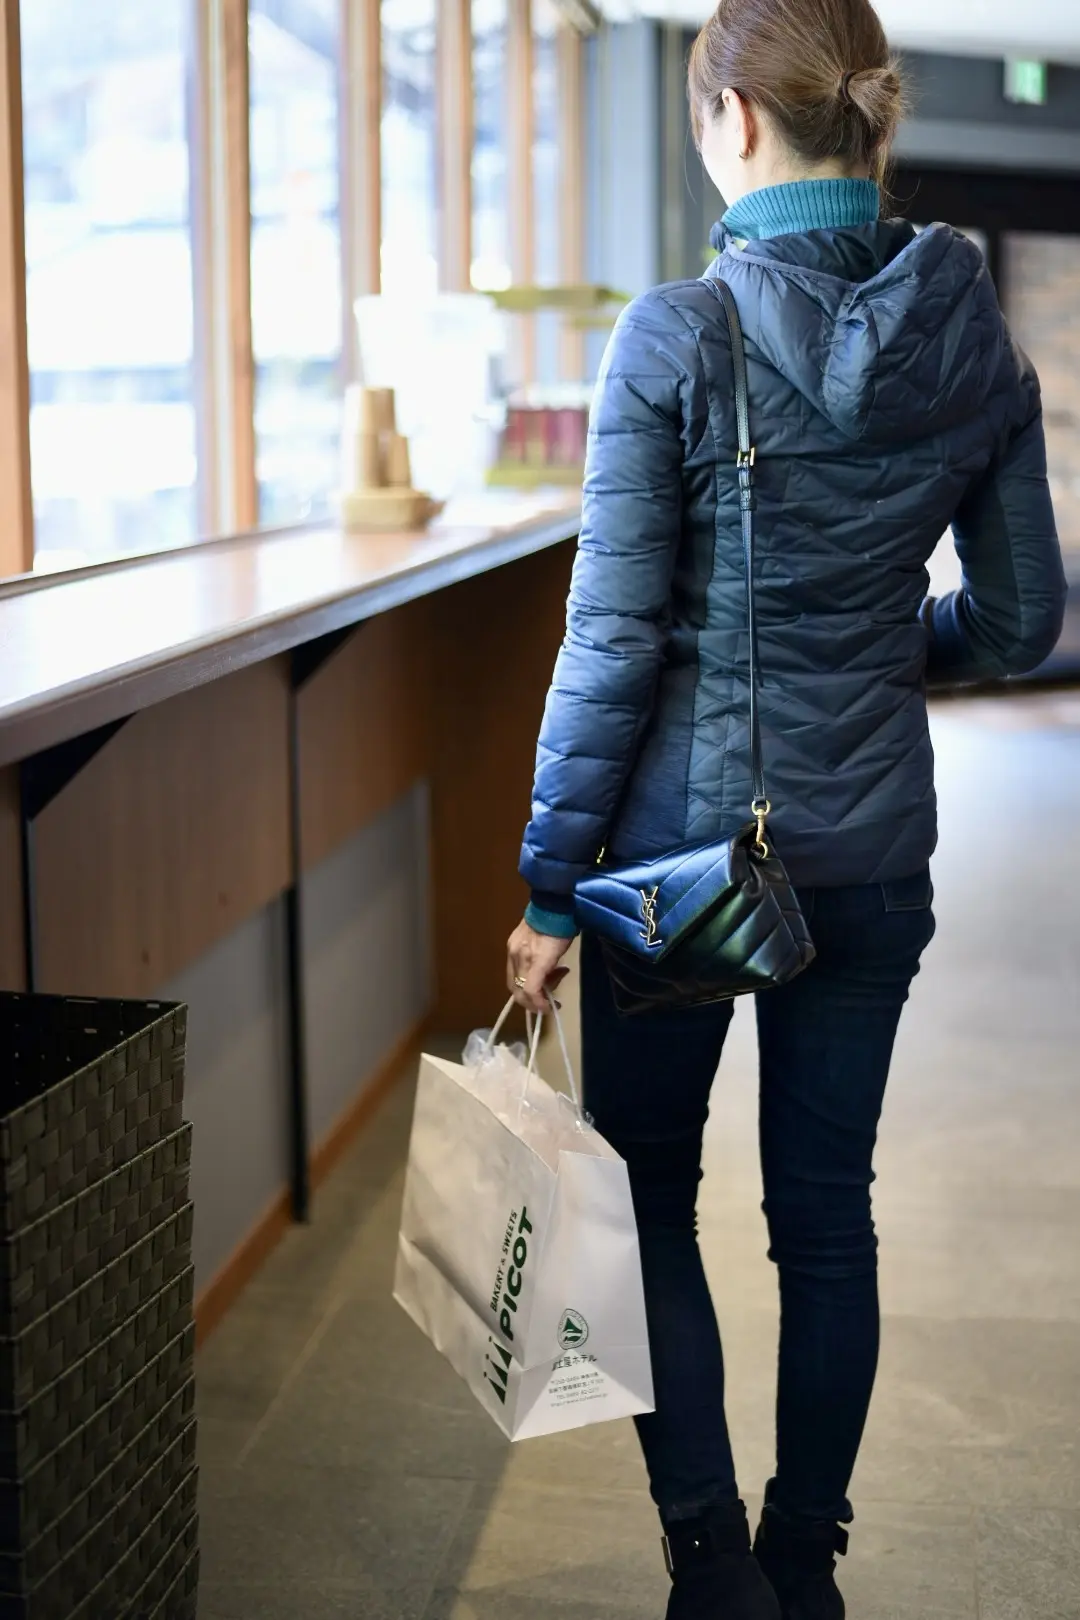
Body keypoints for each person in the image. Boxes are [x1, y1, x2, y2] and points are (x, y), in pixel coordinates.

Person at [506, 0, 1067, 1615]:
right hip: (874, 857)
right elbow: (1023, 622)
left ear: (737, 120)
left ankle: (707, 1571)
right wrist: (892, 656)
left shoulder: (674, 336)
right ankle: (803, 1563)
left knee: (654, 1193)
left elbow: (610, 641)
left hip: (683, 865)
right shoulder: (977, 335)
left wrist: (551, 887)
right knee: (828, 1217)